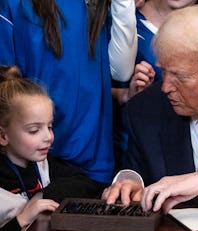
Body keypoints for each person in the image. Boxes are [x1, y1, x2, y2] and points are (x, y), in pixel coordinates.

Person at [102, 5, 198, 213]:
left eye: (180, 77)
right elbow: (136, 171)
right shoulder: (147, 108)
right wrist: (133, 184)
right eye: (164, 72)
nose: (165, 87)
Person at [0, 0, 137, 186]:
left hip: (93, 155)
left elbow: (120, 71)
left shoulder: (100, 5)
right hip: (32, 160)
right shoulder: (13, 5)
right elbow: (5, 82)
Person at [0, 65, 108, 231]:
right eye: (34, 130)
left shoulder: (43, 164)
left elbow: (84, 183)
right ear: (3, 136)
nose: (48, 137)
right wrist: (22, 219)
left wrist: (42, 196)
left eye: (49, 126)